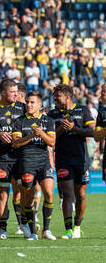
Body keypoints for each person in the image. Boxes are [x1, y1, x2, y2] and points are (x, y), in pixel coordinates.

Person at [48, 84, 95, 239]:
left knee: (80, 194)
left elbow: (93, 132)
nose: (54, 99)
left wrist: (74, 128)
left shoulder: (83, 110)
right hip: (63, 159)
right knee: (67, 194)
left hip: (81, 159)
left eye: (57, 97)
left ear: (67, 97)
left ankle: (77, 226)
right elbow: (50, 137)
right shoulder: (53, 114)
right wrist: (61, 129)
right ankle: (68, 230)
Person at [12, 91, 56, 241]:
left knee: (49, 193)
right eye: (27, 102)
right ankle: (33, 232)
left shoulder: (48, 121)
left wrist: (40, 133)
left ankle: (46, 230)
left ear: (39, 104)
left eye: (32, 102)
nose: (29, 105)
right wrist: (31, 136)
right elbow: (15, 143)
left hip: (43, 161)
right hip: (27, 162)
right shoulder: (19, 121)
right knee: (29, 197)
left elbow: (52, 142)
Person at [0, 79, 25, 239]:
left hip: (21, 157)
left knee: (22, 193)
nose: (16, 94)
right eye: (13, 92)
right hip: (2, 158)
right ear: (3, 93)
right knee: (2, 194)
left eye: (17, 91)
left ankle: (24, 225)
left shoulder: (22, 108)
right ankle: (2, 229)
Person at [94, 83, 106, 183]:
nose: (101, 96)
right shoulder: (102, 113)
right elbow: (97, 137)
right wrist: (105, 130)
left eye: (103, 93)